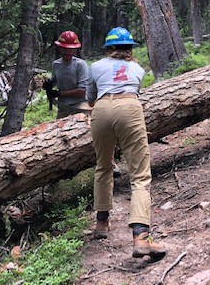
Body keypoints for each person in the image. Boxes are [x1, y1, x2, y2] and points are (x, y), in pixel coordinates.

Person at [86, 26, 166, 259]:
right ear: (130, 49)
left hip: (101, 110)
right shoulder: (138, 69)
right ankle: (141, 236)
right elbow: (133, 91)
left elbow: (90, 99)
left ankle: (101, 224)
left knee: (103, 166)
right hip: (129, 107)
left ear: (109, 48)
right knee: (139, 174)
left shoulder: (96, 67)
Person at [44, 30, 92, 119]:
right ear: (60, 48)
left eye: (70, 49)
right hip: (63, 106)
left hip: (80, 105)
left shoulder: (80, 65)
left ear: (74, 50)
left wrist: (59, 94)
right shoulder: (56, 64)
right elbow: (55, 80)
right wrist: (49, 84)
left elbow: (82, 91)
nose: (67, 52)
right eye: (64, 49)